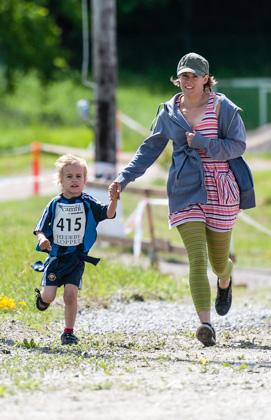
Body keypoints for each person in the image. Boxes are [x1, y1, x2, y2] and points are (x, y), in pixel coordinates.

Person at [108, 52, 255, 347]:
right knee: (197, 260)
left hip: (222, 189)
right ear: (178, 79)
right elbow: (149, 149)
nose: (188, 81)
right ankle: (205, 325)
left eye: (193, 76)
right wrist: (123, 178)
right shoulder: (169, 111)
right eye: (183, 76)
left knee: (217, 262)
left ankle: (225, 280)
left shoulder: (222, 107)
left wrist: (204, 144)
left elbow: (238, 145)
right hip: (185, 188)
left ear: (205, 79)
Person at [33, 154, 119, 345]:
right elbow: (40, 227)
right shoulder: (55, 204)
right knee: (49, 296)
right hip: (56, 258)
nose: (74, 180)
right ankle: (43, 299)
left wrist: (114, 200)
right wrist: (42, 239)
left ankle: (68, 332)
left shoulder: (89, 203)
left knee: (70, 295)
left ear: (85, 180)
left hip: (76, 259)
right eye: (69, 176)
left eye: (78, 176)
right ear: (61, 181)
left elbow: (108, 213)